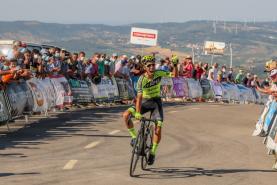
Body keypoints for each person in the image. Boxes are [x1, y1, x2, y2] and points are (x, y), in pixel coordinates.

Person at [122, 55, 178, 165]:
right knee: (126, 115)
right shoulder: (141, 80)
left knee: (158, 126)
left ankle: (152, 152)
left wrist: (175, 66)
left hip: (156, 102)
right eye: (149, 65)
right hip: (144, 102)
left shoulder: (159, 73)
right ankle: (134, 137)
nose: (152, 67)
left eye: (153, 65)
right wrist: (137, 112)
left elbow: (175, 76)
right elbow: (139, 98)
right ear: (145, 67)